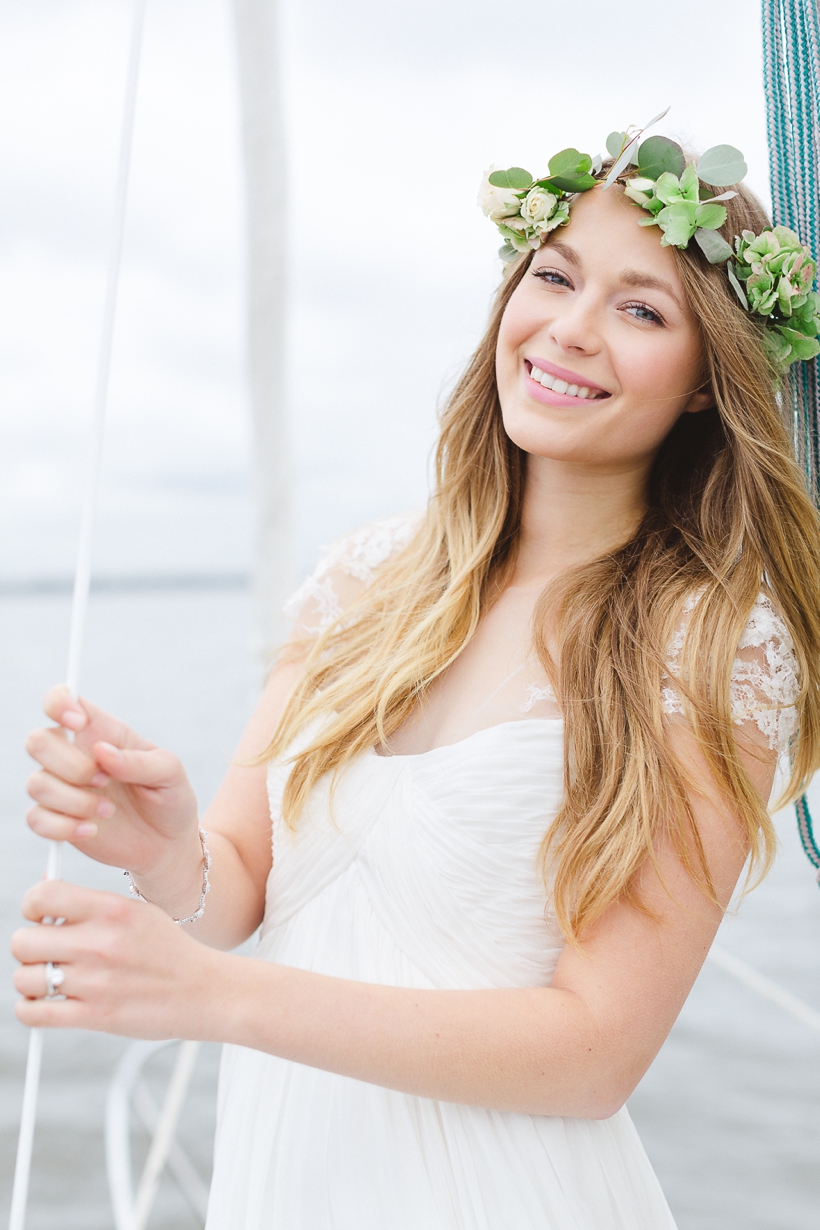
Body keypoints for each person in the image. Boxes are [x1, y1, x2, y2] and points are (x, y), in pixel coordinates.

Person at [12, 125, 820, 1229]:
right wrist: (164, 853)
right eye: (554, 275)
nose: (570, 331)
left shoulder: (712, 645)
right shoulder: (364, 580)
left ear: (700, 382)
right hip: (284, 1184)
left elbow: (594, 1053)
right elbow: (235, 890)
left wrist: (214, 997)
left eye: (641, 310)